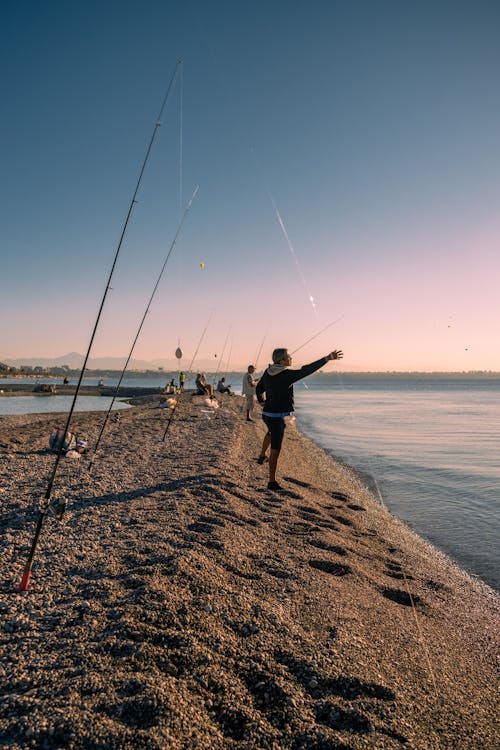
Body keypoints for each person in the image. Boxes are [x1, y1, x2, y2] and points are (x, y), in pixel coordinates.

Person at [256, 347, 343, 491]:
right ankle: (271, 482)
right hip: (276, 416)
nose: (291, 358)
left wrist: (261, 401)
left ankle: (261, 455)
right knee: (275, 449)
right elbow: (307, 370)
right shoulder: (286, 374)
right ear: (282, 360)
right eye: (288, 357)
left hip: (267, 415)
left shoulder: (267, 372)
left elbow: (259, 389)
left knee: (272, 431)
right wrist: (327, 358)